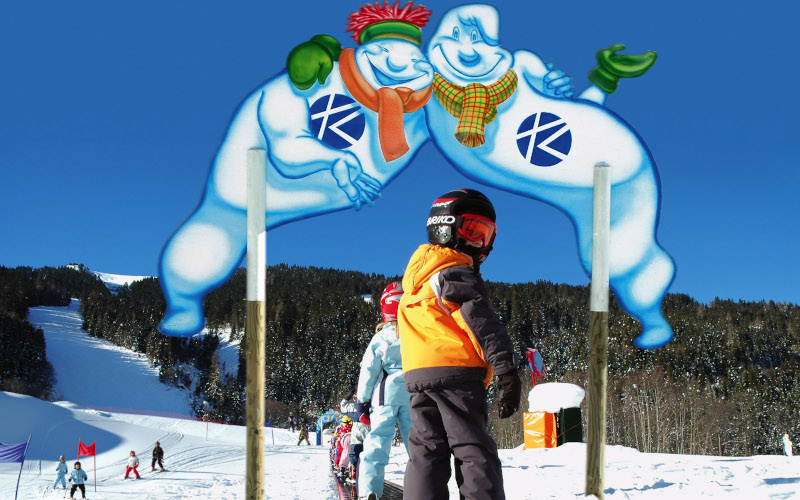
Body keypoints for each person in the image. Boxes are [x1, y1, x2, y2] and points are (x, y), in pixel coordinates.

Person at [398, 188, 521, 500]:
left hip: (419, 378)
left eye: (486, 235)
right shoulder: (454, 270)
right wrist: (506, 368)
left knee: (427, 452)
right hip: (458, 374)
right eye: (474, 231)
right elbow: (480, 322)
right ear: (446, 227)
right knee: (472, 449)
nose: (480, 244)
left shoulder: (417, 279)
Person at [356, 281, 412, 500]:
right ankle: (422, 490)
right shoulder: (415, 335)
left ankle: (370, 491)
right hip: (412, 396)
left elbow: (368, 369)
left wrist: (362, 400)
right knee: (416, 446)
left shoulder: (380, 338)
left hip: (384, 397)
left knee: (377, 445)